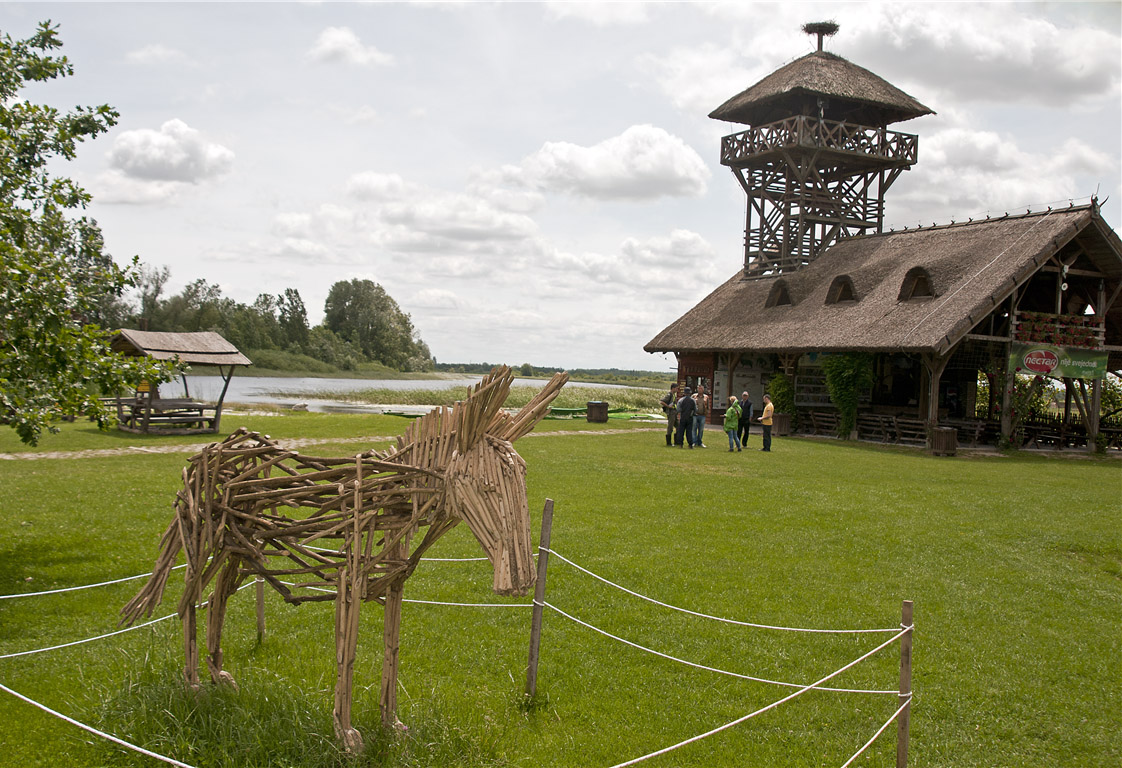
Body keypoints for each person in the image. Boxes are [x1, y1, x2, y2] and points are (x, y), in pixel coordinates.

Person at [693, 384, 710, 448]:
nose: (700, 390)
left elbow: (708, 406)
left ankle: (700, 442)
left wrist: (707, 412)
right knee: (694, 428)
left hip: (702, 415)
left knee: (701, 429)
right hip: (695, 415)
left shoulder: (706, 397)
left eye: (701, 389)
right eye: (699, 388)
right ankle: (694, 442)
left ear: (703, 390)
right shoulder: (694, 396)